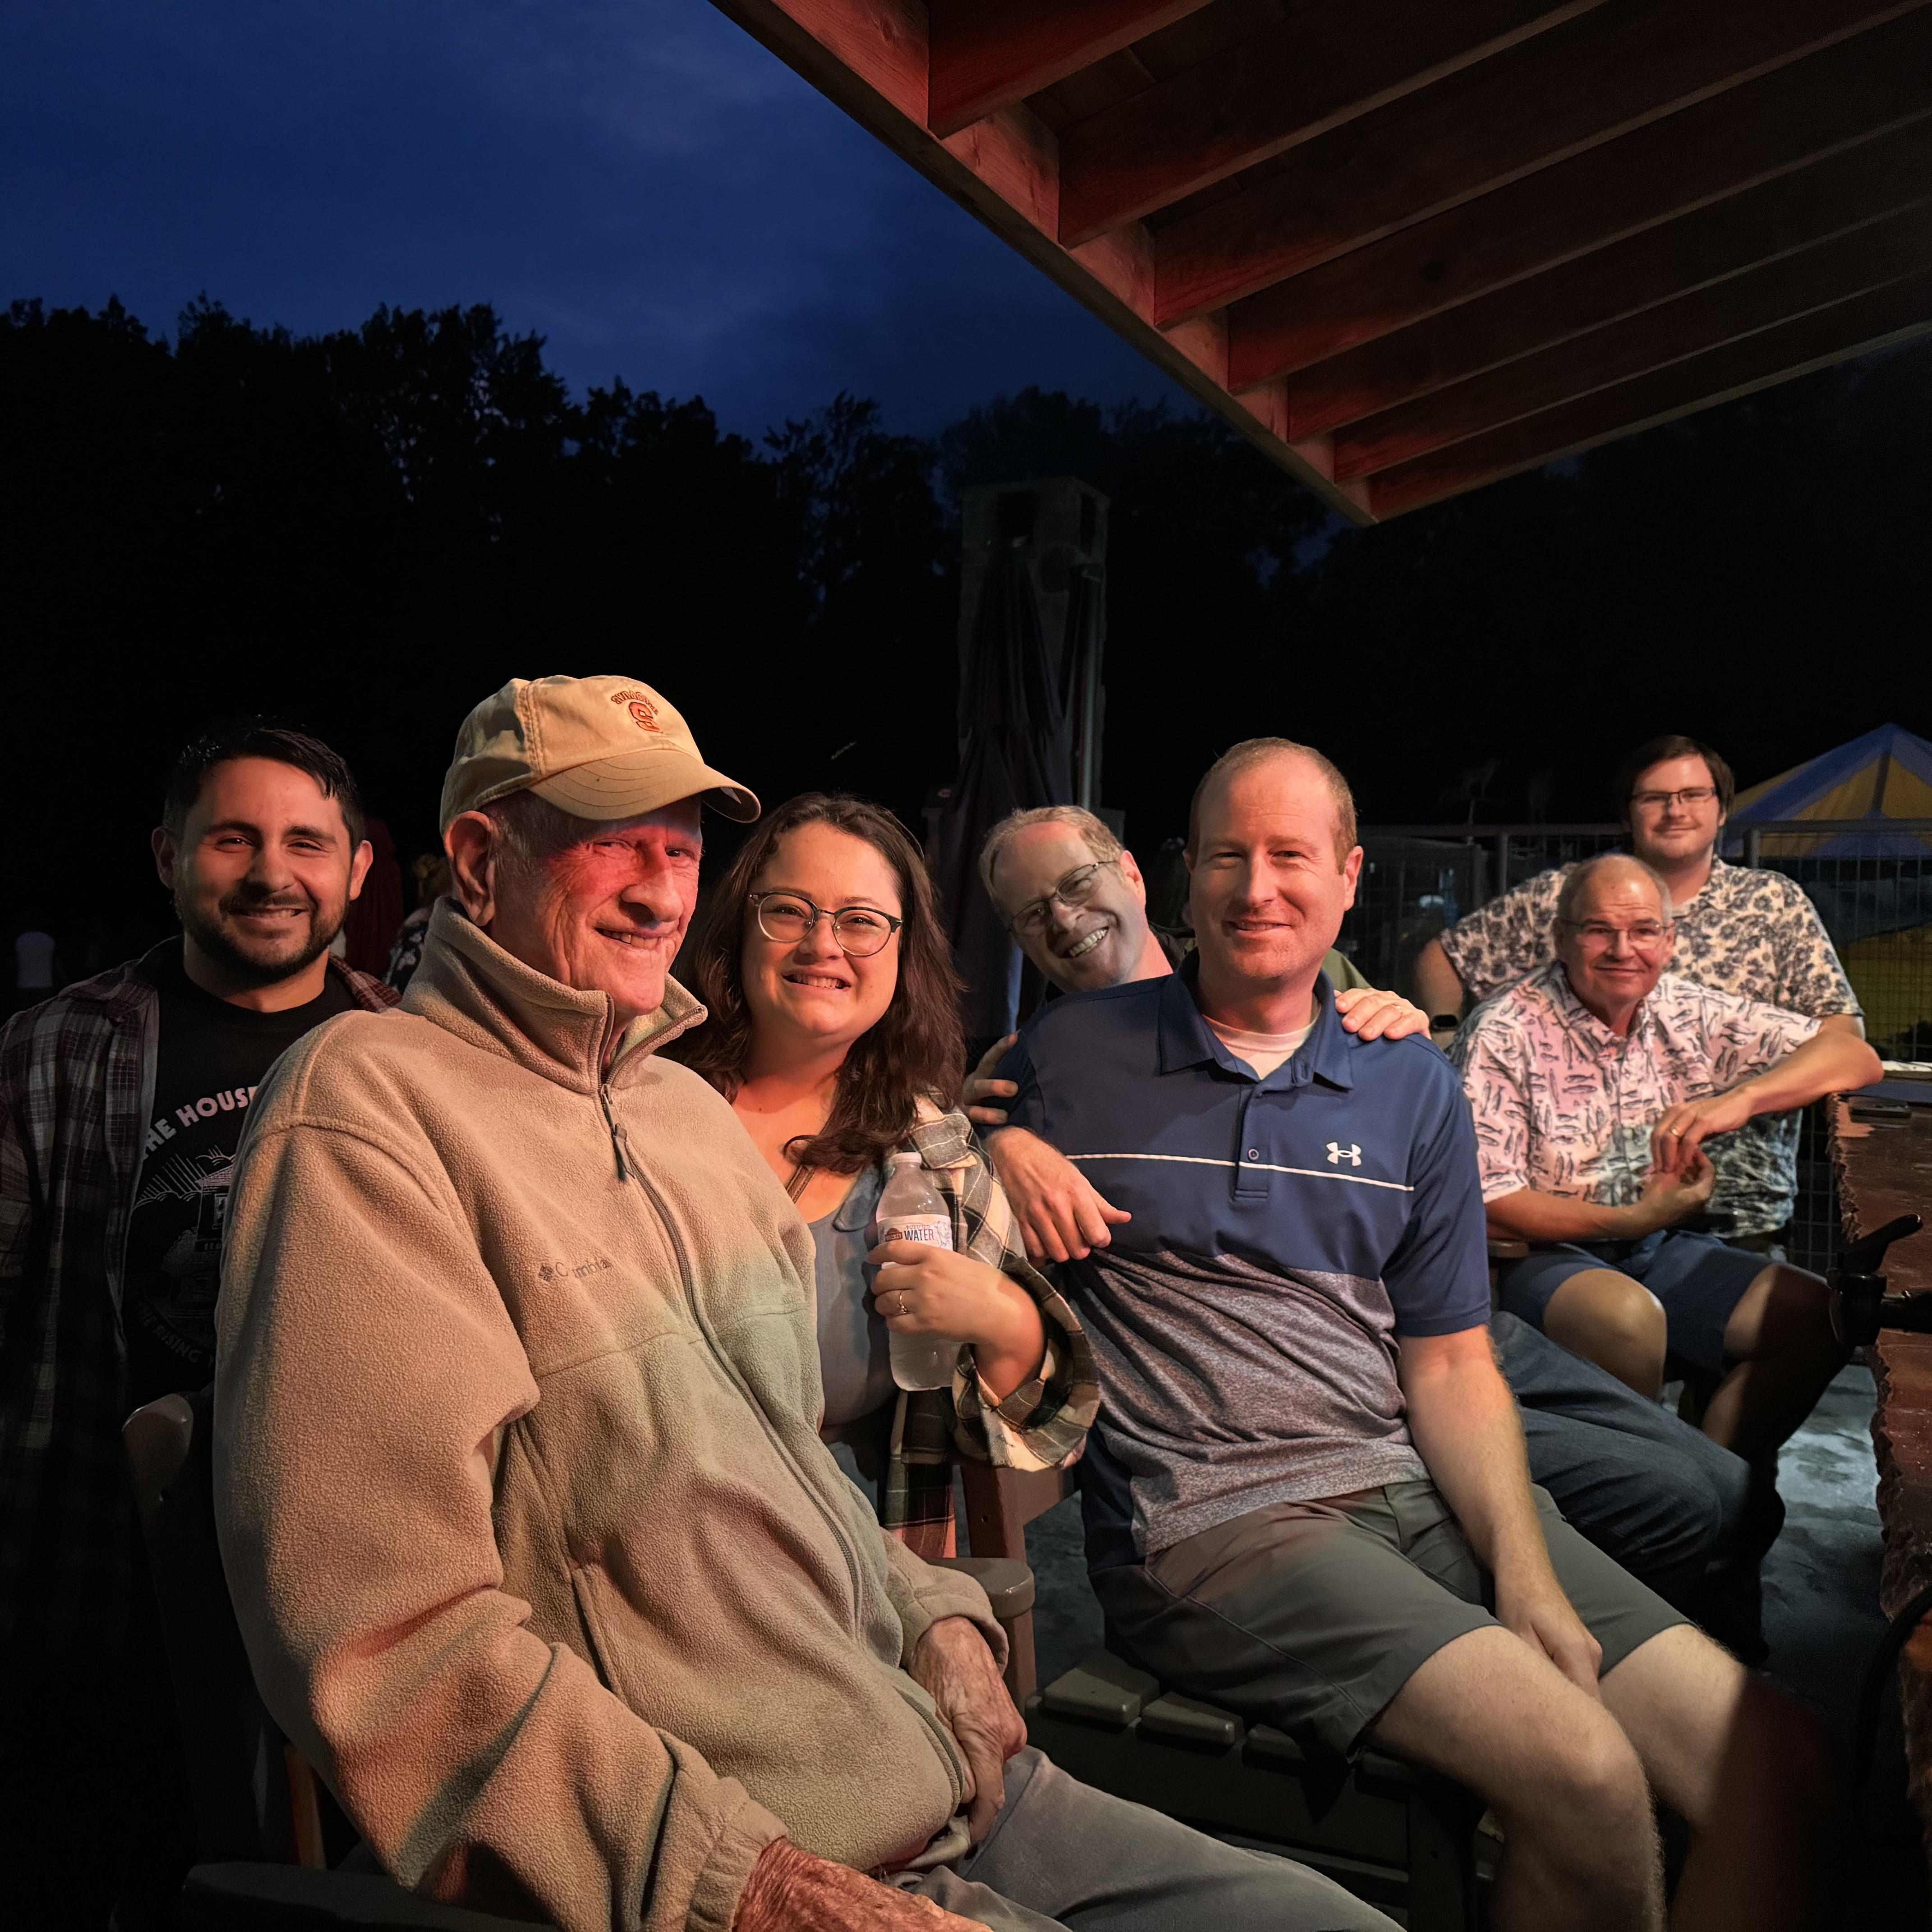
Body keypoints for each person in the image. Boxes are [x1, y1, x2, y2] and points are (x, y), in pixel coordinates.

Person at [215, 676, 1399, 1932]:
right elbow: (393, 1637)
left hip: (941, 1765)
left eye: (679, 848)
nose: (659, 886)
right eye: (611, 840)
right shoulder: (371, 1110)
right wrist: (747, 1885)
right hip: (748, 1856)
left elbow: (803, 1461)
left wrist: (938, 1616)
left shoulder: (691, 1115)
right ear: (476, 856)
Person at [990, 739, 1837, 1932]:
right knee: (1586, 1773)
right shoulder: (1070, 1056)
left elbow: (1448, 1362)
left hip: (1410, 1481)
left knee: (1779, 1768)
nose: (1255, 886)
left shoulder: (1405, 1076)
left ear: (1346, 880)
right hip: (1215, 1524)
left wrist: (1527, 1576)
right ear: (1182, 883)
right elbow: (890, 1108)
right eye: (1228, 855)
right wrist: (987, 1140)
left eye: (1290, 856)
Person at [969, 804, 1750, 1615]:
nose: (1061, 919)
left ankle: (1699, 1679)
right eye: (1030, 912)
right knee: (1677, 1496)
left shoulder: (1305, 970)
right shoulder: (1039, 1064)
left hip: (1433, 1318)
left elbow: (1416, 1102)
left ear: (1130, 875)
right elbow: (938, 1162)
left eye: (1076, 884)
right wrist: (996, 1142)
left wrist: (1418, 1028)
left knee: (1727, 1484)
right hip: (1331, 1386)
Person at [0, 721, 391, 1931]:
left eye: (305, 842)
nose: (272, 870)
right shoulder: (58, 1046)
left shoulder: (406, 1060)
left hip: (342, 1584)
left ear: (358, 870)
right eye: (233, 837)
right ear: (170, 855)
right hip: (95, 1585)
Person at [670, 792, 1093, 1557]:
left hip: (853, 1562)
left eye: (860, 920)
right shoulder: (639, 1106)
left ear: (904, 954)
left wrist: (1003, 1315)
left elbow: (1048, 1432)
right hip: (644, 1534)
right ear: (740, 926)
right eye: (789, 910)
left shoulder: (930, 1151)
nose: (822, 944)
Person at [1450, 851, 1879, 1468]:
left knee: (1819, 1313)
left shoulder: (1686, 1009)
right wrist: (1629, 1221)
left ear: (1670, 939)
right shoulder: (1505, 1029)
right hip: (1530, 1258)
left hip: (1656, 1243)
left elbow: (1854, 1058)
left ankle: (1715, 1504)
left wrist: (1739, 1101)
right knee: (1626, 1319)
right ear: (1562, 939)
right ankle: (1644, 1505)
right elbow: (1489, 1198)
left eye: (1645, 931)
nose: (1624, 949)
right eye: (1600, 930)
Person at [1415, 734, 1865, 1250]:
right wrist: (1447, 1040)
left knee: (1776, 1312)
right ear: (1628, 815)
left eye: (1694, 795)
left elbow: (1843, 1036)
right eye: (1654, 798)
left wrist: (1742, 1101)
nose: (1676, 811)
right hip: (1580, 1206)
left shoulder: (1773, 903)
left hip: (1741, 1201)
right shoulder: (1568, 892)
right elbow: (1445, 957)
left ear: (1722, 811)